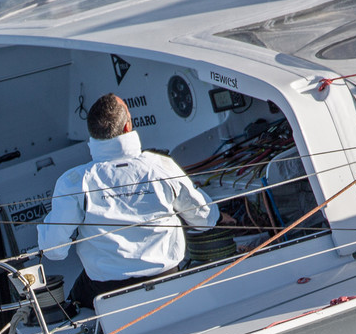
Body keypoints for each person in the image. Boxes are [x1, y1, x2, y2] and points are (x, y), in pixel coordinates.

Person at [36, 93, 220, 311]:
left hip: (106, 291)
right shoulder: (161, 165)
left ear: (92, 133)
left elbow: (54, 251)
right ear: (127, 127)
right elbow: (205, 220)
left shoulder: (74, 181)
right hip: (168, 280)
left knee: (75, 298)